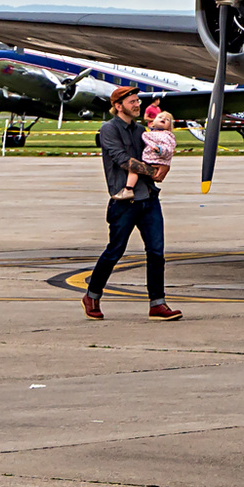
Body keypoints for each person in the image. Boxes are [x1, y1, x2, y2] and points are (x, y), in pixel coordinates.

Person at [83, 85, 182, 322]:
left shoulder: (142, 130)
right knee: (115, 251)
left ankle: (157, 304)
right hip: (123, 200)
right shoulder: (108, 129)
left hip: (148, 196)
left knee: (156, 253)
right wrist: (152, 170)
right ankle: (92, 295)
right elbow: (120, 159)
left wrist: (165, 165)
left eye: (138, 101)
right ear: (118, 106)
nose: (138, 105)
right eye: (132, 102)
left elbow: (158, 153)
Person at [113, 109, 176, 203]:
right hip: (150, 159)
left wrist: (160, 150)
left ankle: (128, 189)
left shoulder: (166, 136)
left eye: (167, 120)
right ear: (153, 123)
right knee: (136, 170)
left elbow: (169, 149)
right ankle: (144, 189)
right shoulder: (150, 133)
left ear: (169, 127)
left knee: (134, 169)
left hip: (156, 160)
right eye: (160, 117)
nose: (163, 119)